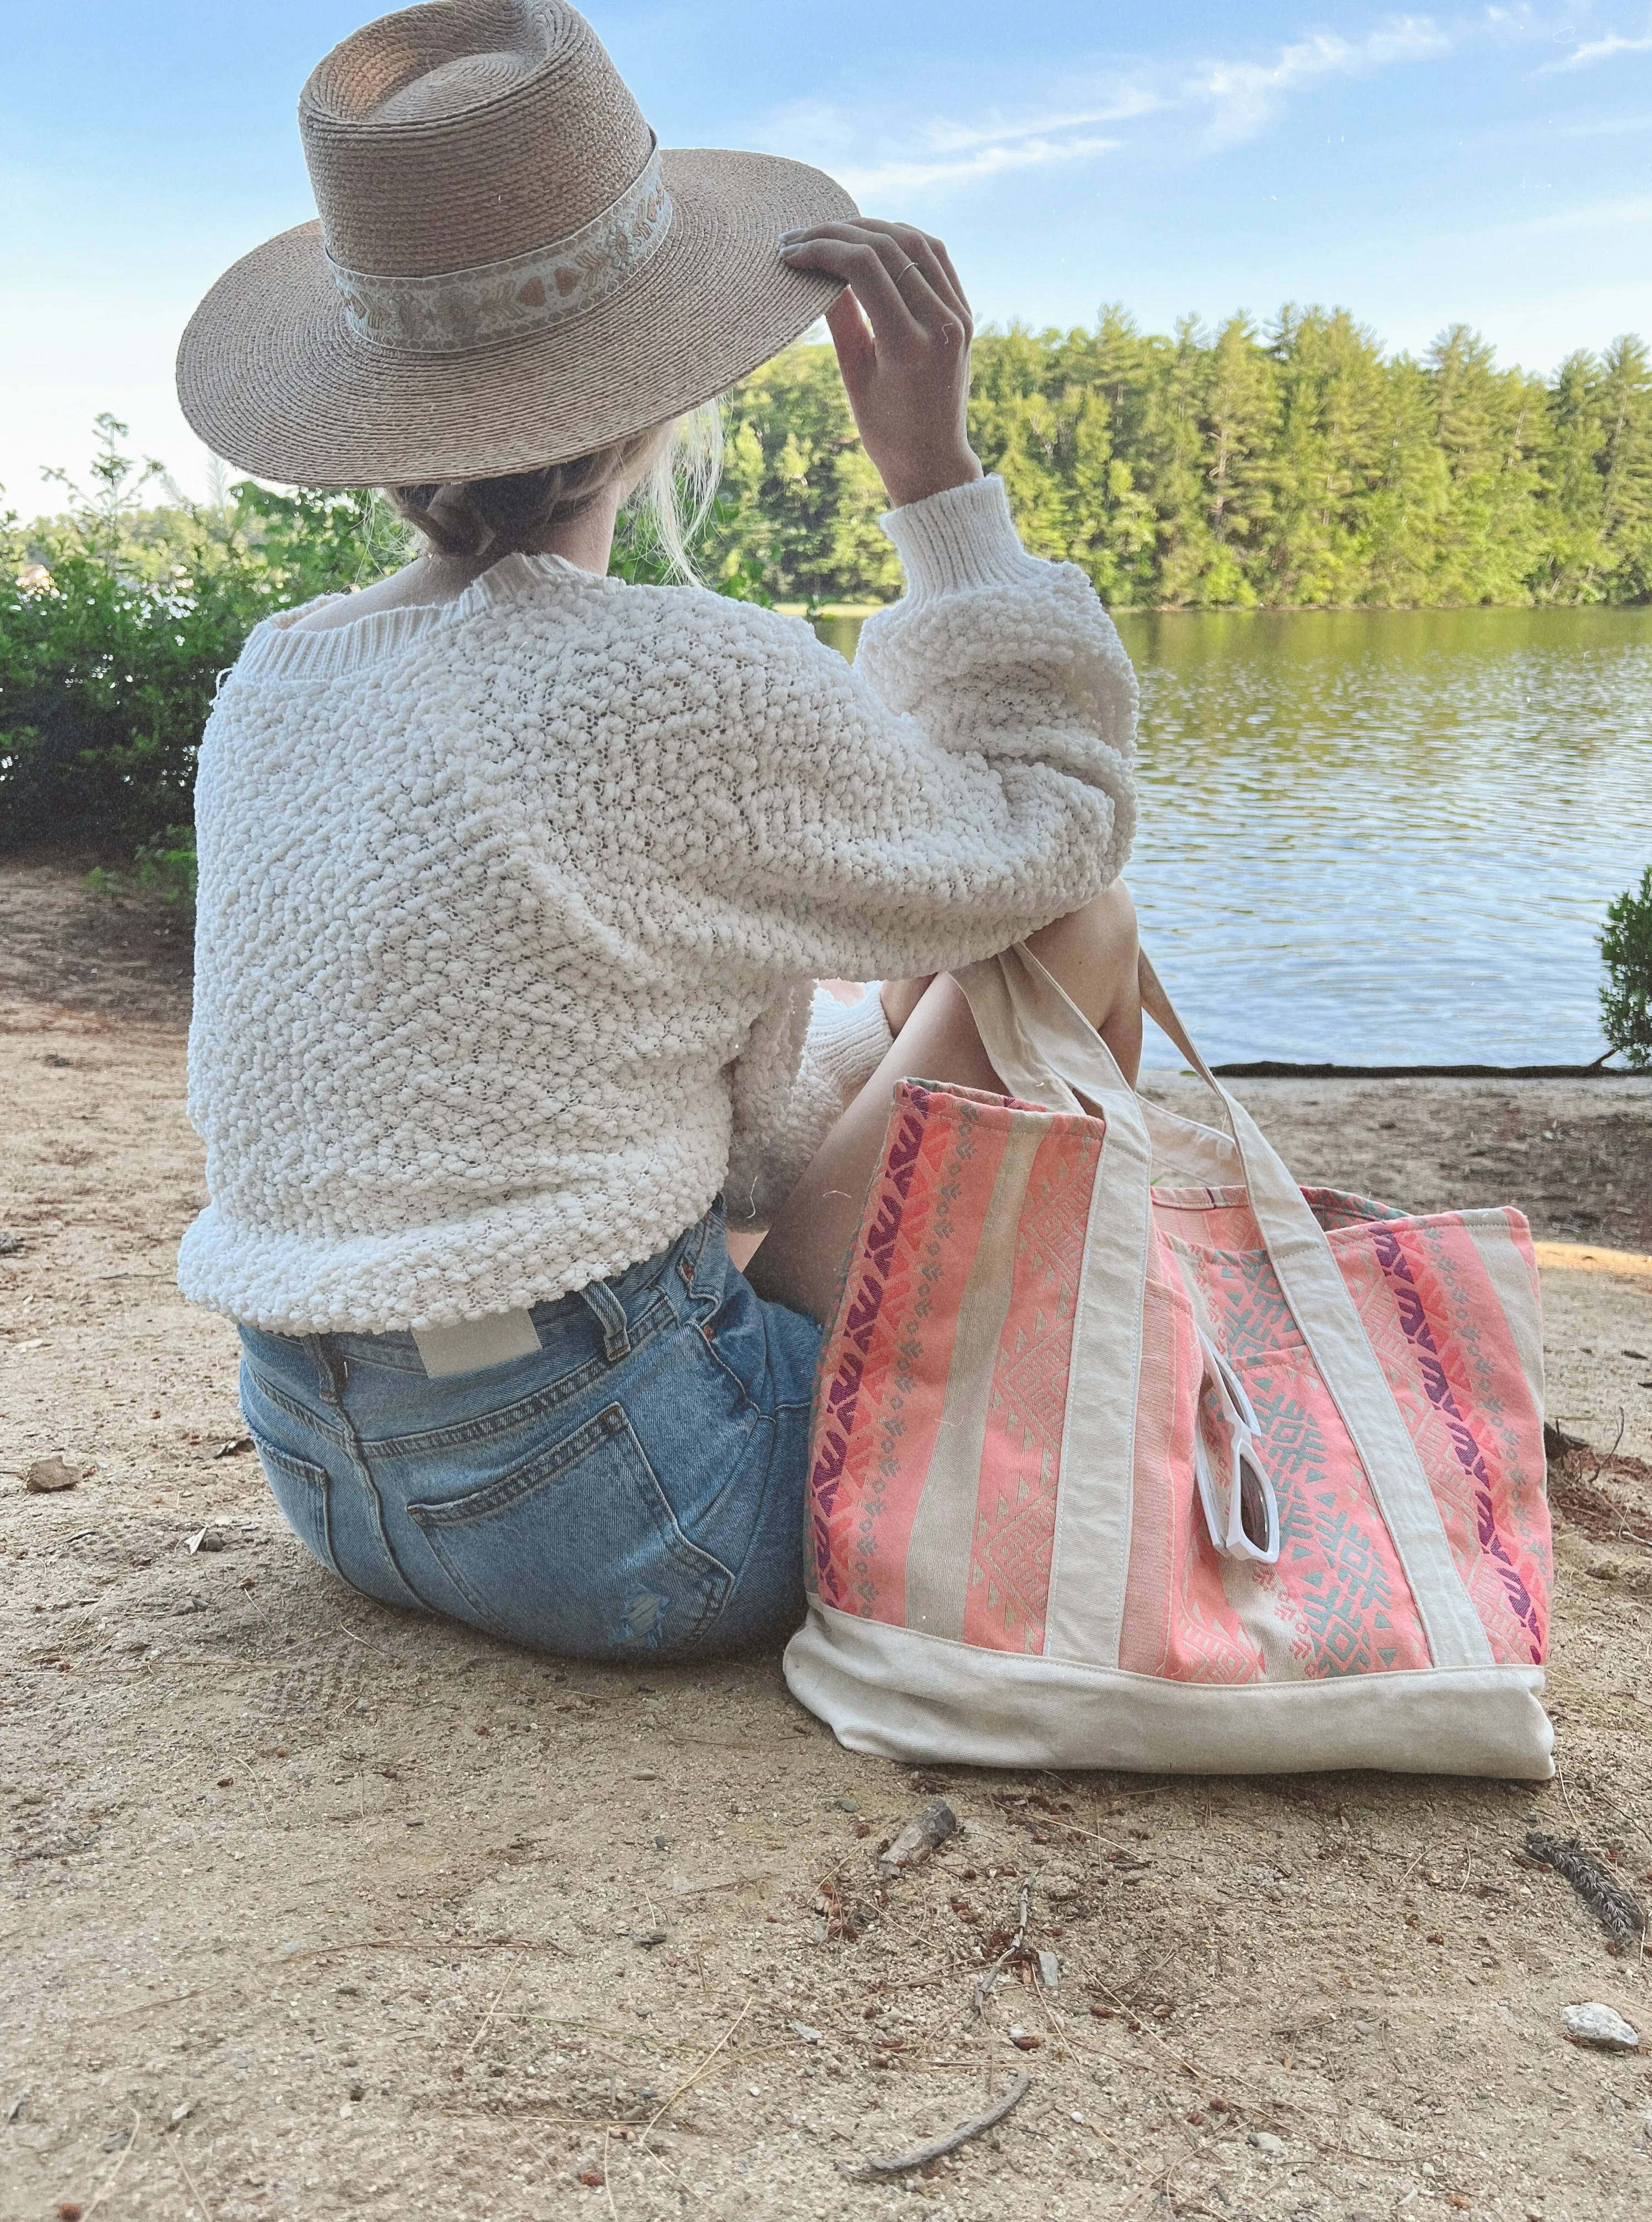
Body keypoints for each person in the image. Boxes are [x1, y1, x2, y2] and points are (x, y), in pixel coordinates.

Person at [173, 0, 1141, 1662]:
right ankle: (1047, 1389)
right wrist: (935, 479)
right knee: (1076, 933)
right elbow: (1053, 824)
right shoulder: (661, 669)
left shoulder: (282, 671)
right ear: (659, 400)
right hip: (627, 1518)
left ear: (386, 431)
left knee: (897, 980)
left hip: (328, 1478)